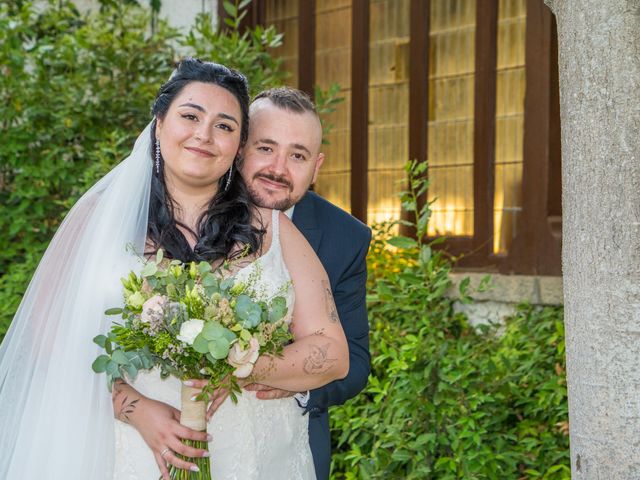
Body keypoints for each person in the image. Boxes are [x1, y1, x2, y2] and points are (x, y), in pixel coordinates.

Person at [0, 59, 348, 480]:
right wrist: (136, 409)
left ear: (238, 147)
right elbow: (50, 349)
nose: (204, 134)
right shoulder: (95, 221)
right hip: (127, 453)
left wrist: (238, 364)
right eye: (190, 116)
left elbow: (333, 352)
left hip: (257, 458)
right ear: (159, 124)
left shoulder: (275, 230)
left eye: (224, 125)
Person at [237, 87, 372, 480]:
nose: (278, 168)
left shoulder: (344, 237)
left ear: (317, 166)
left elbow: (357, 363)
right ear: (241, 146)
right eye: (265, 148)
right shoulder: (193, 207)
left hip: (284, 439)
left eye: (297, 155)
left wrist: (297, 387)